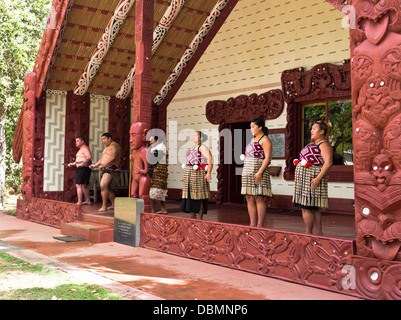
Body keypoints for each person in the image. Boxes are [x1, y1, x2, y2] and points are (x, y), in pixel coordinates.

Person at [293, 120, 333, 235]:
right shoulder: (311, 144)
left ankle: (309, 233)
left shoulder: (324, 144)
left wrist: (318, 178)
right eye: (311, 128)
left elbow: (328, 163)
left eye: (314, 129)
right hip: (304, 178)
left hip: (313, 177)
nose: (311, 131)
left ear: (321, 132)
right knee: (310, 207)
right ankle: (316, 233)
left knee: (308, 206)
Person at [241, 118, 272, 227]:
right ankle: (252, 224)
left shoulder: (265, 139)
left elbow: (267, 158)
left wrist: (259, 173)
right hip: (248, 169)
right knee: (249, 196)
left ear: (260, 127)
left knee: (258, 197)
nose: (251, 129)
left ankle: (260, 225)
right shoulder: (252, 140)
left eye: (253, 126)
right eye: (250, 127)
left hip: (259, 168)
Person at [180, 131, 213, 219]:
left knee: (200, 196)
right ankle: (192, 217)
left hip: (198, 173)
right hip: (189, 173)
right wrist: (185, 175)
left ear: (201, 138)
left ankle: (200, 218)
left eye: (195, 135)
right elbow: (188, 162)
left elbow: (210, 158)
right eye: (193, 135)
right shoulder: (191, 148)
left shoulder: (202, 147)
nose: (193, 137)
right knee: (190, 196)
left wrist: (208, 173)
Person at [90, 133, 121, 212]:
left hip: (111, 169)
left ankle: (104, 206)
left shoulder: (114, 146)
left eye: (104, 139)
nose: (103, 141)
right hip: (105, 168)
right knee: (107, 188)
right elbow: (102, 158)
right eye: (102, 139)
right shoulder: (107, 147)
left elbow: (113, 156)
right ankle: (113, 204)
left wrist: (104, 164)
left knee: (103, 185)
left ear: (109, 138)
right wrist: (95, 165)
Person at [68, 136, 92, 205]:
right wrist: (73, 164)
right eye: (76, 141)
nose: (76, 142)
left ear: (82, 141)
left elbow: (89, 158)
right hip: (81, 168)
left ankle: (79, 201)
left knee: (78, 185)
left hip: (84, 168)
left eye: (78, 141)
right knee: (83, 185)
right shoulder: (81, 149)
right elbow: (79, 160)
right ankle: (88, 200)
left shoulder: (85, 148)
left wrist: (82, 164)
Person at [149, 136, 168, 214]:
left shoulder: (157, 149)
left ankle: (153, 210)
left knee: (153, 193)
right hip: (162, 171)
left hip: (157, 172)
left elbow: (153, 161)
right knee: (159, 192)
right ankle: (163, 209)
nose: (150, 142)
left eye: (152, 141)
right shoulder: (163, 147)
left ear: (157, 140)